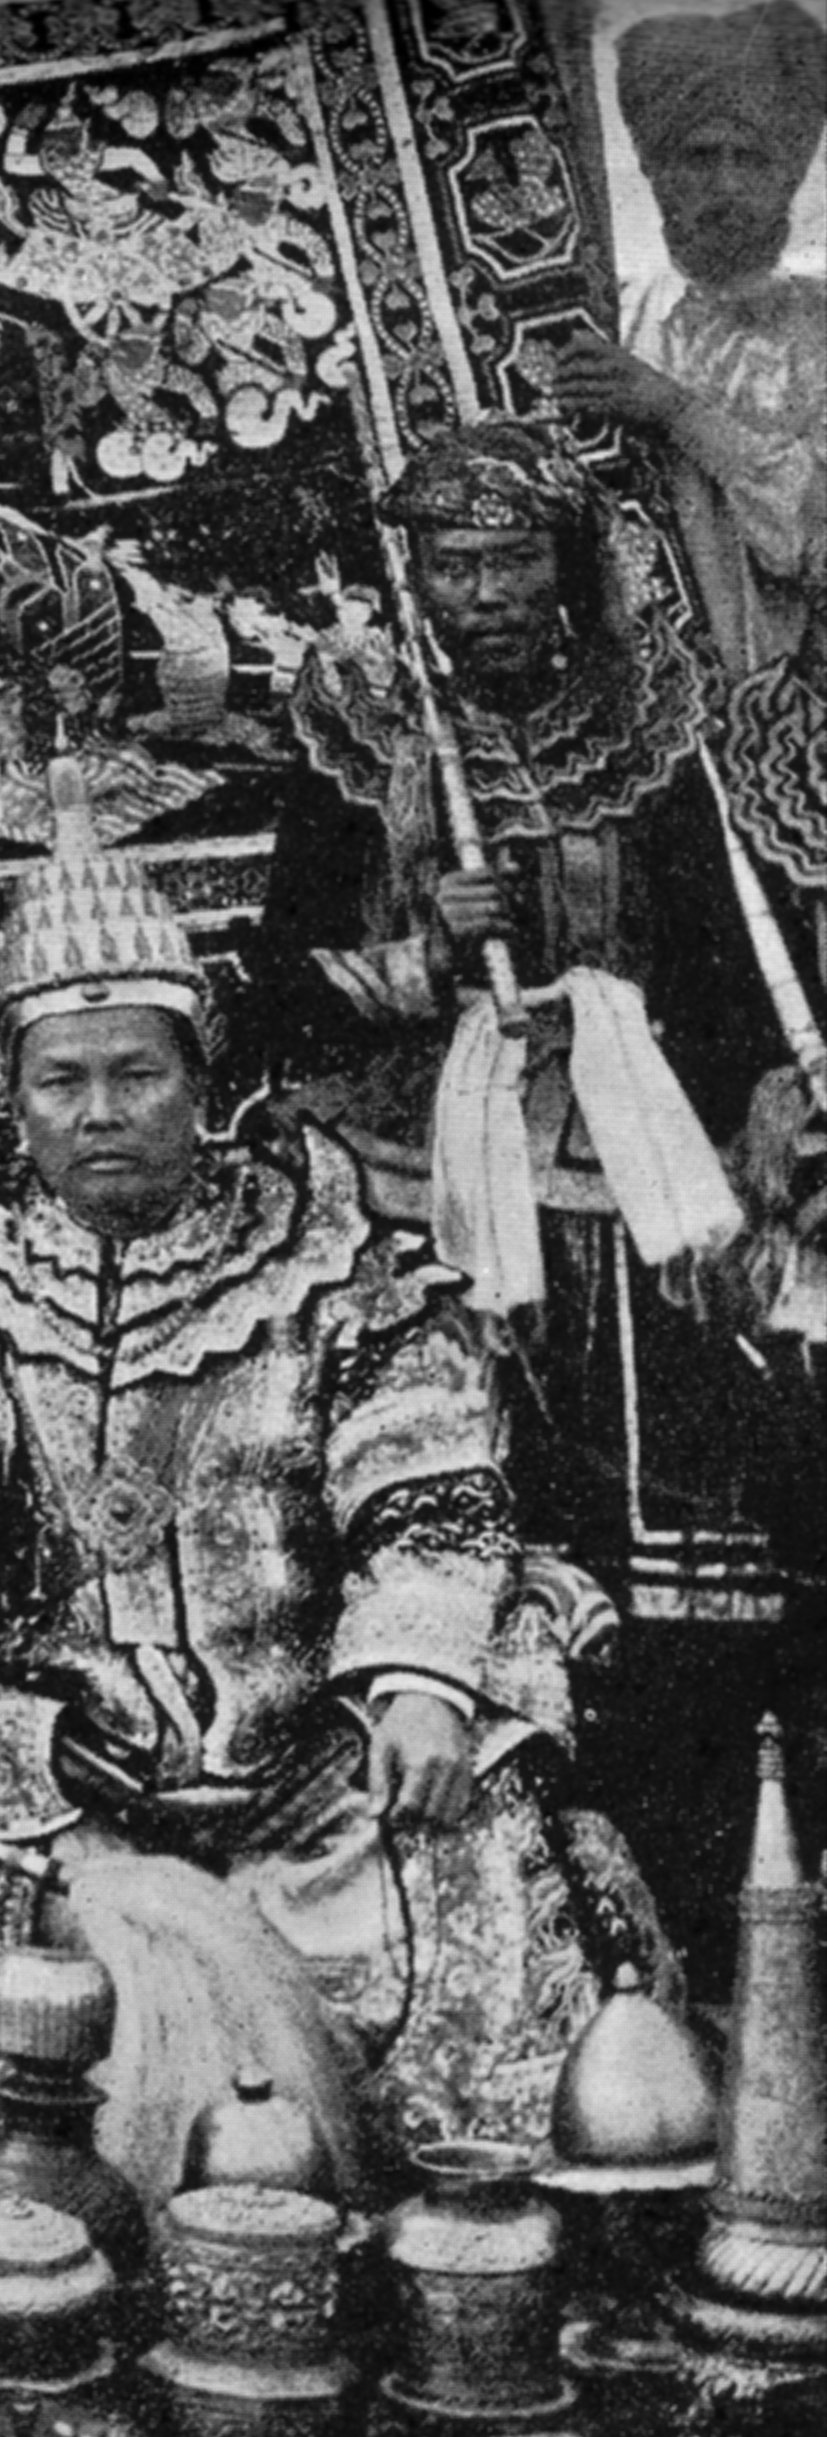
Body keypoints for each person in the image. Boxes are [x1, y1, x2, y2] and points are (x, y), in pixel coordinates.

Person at [0, 828, 670, 2173]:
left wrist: (418, 1683)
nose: (100, 1112)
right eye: (61, 1081)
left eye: (136, 1073)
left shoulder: (327, 1266)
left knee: (477, 1793)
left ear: (197, 1084)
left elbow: (427, 1496)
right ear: (11, 1098)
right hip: (64, 1778)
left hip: (307, 1760)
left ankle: (466, 2171)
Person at [248, 421, 785, 1612]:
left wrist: (746, 1089)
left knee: (667, 1415)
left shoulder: (646, 719)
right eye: (451, 565)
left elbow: (719, 946)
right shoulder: (367, 731)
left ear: (567, 563)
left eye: (512, 560)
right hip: (429, 1133)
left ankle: (671, 1673)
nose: (482, 595)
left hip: (629, 1127)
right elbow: (284, 978)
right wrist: (429, 944)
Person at [552, 0, 827, 678]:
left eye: (751, 158)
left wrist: (674, 412)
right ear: (652, 169)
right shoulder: (611, 322)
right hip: (643, 687)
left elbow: (813, 540)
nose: (726, 185)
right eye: (698, 158)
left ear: (788, 171)